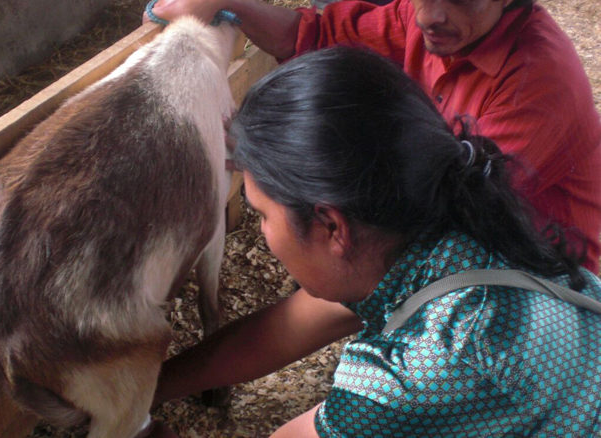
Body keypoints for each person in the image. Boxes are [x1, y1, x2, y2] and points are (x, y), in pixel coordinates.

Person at [149, 47, 601, 437]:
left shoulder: (420, 371)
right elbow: (283, 329)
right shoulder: (439, 224)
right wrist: (148, 386)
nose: (262, 233)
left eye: (262, 214)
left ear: (331, 226)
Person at [147, 0, 601, 273]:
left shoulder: (535, 83)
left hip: (532, 263)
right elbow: (319, 35)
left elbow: (450, 221)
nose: (433, 16)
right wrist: (228, 3)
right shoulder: (424, 18)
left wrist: (284, 161)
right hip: (448, 217)